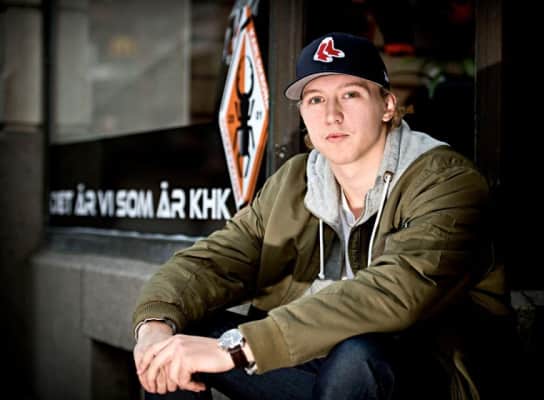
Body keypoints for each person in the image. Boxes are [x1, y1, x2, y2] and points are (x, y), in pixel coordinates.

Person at [133, 32, 515, 400]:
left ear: (387, 106)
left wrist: (239, 348)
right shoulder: (295, 181)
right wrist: (154, 325)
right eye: (315, 99)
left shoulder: (446, 181)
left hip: (417, 375)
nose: (332, 115)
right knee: (175, 341)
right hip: (316, 366)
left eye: (350, 94)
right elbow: (215, 259)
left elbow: (396, 291)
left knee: (358, 357)